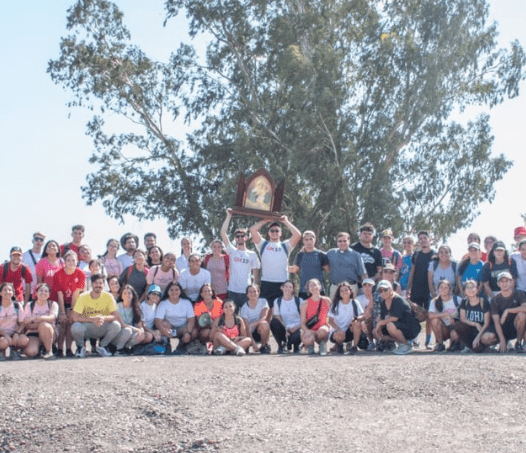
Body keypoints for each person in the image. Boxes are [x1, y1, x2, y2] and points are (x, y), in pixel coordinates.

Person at [250, 215, 301, 319]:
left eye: (277, 231)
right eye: (272, 230)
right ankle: (264, 335)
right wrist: (265, 220)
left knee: (280, 315)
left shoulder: (285, 245)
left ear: (281, 233)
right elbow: (253, 229)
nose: (274, 233)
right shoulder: (263, 245)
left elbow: (298, 235)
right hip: (266, 284)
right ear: (268, 233)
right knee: (265, 316)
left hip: (282, 284)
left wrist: (286, 221)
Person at [71, 274, 122, 358]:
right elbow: (75, 317)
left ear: (104, 284)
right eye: (95, 283)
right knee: (75, 327)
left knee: (116, 325)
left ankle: (102, 346)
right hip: (88, 326)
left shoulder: (108, 296)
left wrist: (103, 318)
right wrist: (93, 319)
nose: (98, 285)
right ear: (91, 284)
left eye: (100, 283)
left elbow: (115, 316)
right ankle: (80, 347)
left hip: (102, 324)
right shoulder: (83, 297)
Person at [220, 209, 260, 310]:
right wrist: (228, 216)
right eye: (238, 236)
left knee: (246, 318)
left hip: (246, 291)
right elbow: (223, 233)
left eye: (242, 236)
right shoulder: (232, 251)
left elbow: (256, 273)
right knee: (232, 317)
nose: (240, 238)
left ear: (246, 238)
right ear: (235, 238)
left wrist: (255, 290)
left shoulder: (252, 254)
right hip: (232, 290)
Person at [480, 272, 526, 353]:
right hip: (503, 328)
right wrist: (502, 340)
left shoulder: (519, 293)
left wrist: (507, 311)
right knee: (485, 338)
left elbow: (525, 308)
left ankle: (518, 343)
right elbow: (497, 322)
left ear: (511, 282)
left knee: (522, 315)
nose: (504, 284)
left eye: (507, 281)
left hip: (517, 327)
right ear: (498, 284)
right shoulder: (495, 300)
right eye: (502, 281)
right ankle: (501, 343)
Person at [52, 250, 86, 358]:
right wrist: (62, 313)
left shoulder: (80, 274)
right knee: (63, 323)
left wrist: (71, 311)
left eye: (73, 260)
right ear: (64, 261)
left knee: (70, 323)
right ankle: (59, 349)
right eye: (68, 260)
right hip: (61, 301)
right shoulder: (58, 274)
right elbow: (60, 295)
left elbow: (76, 293)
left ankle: (68, 349)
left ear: (77, 261)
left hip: (74, 302)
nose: (71, 262)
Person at [406, 230, 436, 348]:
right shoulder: (416, 255)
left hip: (429, 289)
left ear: (429, 240)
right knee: (414, 314)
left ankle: (428, 340)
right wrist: (408, 288)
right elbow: (412, 272)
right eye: (421, 238)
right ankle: (415, 338)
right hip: (416, 289)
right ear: (419, 242)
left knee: (429, 315)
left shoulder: (435, 254)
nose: (423, 240)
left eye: (425, 238)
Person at [374, 280, 421, 355]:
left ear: (391, 289)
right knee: (375, 332)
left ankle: (406, 345)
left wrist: (380, 323)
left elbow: (394, 318)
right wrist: (379, 326)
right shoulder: (383, 303)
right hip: (399, 326)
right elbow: (384, 319)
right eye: (380, 290)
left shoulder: (398, 300)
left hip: (411, 328)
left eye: (385, 290)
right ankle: (402, 343)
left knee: (390, 325)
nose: (383, 292)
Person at [154, 282, 195, 354]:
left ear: (180, 291)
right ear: (168, 292)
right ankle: (167, 345)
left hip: (182, 329)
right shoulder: (163, 303)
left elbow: (191, 319)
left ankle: (181, 346)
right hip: (170, 329)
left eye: (176, 289)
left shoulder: (186, 302)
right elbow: (158, 320)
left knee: (194, 331)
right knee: (163, 324)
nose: (174, 292)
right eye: (171, 290)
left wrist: (188, 333)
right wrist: (164, 331)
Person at [21, 283, 58, 360]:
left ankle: (49, 351)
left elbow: (52, 318)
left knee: (44, 325)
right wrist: (44, 319)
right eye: (41, 290)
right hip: (33, 333)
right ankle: (40, 348)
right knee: (32, 352)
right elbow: (27, 323)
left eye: (46, 291)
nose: (43, 293)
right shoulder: (29, 305)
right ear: (36, 293)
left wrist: (36, 318)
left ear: (49, 294)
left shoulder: (52, 304)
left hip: (49, 332)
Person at [289, 230, 329, 300]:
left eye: (311, 239)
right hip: (304, 290)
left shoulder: (321, 254)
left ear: (315, 240)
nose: (309, 241)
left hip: (319, 290)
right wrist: (279, 267)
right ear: (303, 241)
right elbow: (294, 269)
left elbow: (328, 269)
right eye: (306, 239)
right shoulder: (300, 255)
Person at [453, 280, 491, 353]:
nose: (470, 290)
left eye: (472, 287)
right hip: (471, 329)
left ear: (477, 289)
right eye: (468, 288)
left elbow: (487, 323)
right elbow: (463, 319)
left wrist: (478, 337)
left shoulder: (484, 302)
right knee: (458, 325)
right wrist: (475, 324)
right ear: (464, 291)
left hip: (482, 330)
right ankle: (468, 346)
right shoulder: (464, 302)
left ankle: (482, 346)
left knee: (478, 349)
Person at [326, 232, 367, 299]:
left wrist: (367, 287)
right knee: (333, 308)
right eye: (340, 241)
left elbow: (363, 274)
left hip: (351, 287)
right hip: (335, 287)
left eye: (344, 241)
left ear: (349, 241)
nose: (342, 243)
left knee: (351, 308)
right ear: (337, 242)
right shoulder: (331, 253)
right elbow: (319, 256)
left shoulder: (356, 255)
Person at [328, 282, 364, 354]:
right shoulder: (335, 304)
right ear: (339, 293)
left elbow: (362, 315)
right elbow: (330, 320)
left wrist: (356, 319)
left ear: (350, 291)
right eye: (342, 291)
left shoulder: (355, 302)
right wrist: (338, 329)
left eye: (346, 290)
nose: (344, 292)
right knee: (339, 334)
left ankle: (354, 347)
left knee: (357, 324)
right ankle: (339, 345)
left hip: (349, 331)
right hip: (337, 331)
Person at [427, 280, 461, 352]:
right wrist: (446, 314)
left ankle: (456, 343)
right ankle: (440, 344)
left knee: (455, 334)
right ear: (438, 289)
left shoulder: (457, 299)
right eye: (441, 287)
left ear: (449, 289)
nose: (443, 289)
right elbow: (430, 315)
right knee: (434, 320)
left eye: (446, 287)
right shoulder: (434, 301)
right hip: (443, 328)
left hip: (455, 326)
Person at [112, 285, 146, 355]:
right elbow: (122, 325)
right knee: (128, 331)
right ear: (121, 296)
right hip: (118, 333)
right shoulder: (117, 307)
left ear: (133, 295)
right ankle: (118, 350)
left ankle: (126, 347)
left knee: (141, 335)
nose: (127, 295)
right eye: (125, 293)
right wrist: (136, 330)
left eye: (129, 293)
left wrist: (141, 330)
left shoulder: (136, 308)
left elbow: (139, 325)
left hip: (130, 333)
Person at [270, 280, 303, 354]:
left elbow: (303, 319)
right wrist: (286, 328)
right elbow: (278, 317)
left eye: (290, 287)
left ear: (293, 289)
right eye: (286, 286)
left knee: (298, 334)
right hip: (284, 328)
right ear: (282, 288)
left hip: (296, 328)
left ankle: (296, 346)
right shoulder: (277, 301)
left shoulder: (299, 301)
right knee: (273, 322)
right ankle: (281, 345)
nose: (288, 289)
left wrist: (296, 328)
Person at [300, 278, 331, 355]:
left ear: (320, 286)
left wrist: (329, 326)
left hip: (322, 329)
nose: (313, 287)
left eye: (315, 284)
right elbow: (302, 323)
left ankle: (322, 344)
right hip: (311, 330)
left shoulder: (327, 300)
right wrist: (307, 331)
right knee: (308, 338)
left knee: (322, 330)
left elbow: (331, 317)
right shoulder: (305, 303)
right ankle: (310, 345)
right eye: (311, 286)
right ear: (308, 289)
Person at [0, 282, 28, 360]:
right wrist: (5, 335)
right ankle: (1, 352)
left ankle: (14, 350)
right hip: (1, 334)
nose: (7, 292)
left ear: (13, 293)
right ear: (0, 293)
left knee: (24, 340)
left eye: (10, 290)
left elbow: (23, 323)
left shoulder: (17, 305)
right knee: (3, 342)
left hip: (13, 333)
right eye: (5, 290)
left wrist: (16, 333)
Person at [240, 284, 271, 353]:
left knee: (264, 324)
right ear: (247, 294)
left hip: (260, 330)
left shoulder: (263, 302)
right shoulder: (244, 308)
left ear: (258, 292)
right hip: (250, 333)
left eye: (254, 291)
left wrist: (252, 324)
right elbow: (246, 328)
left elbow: (263, 318)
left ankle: (264, 346)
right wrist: (253, 344)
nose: (252, 293)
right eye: (250, 292)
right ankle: (248, 345)